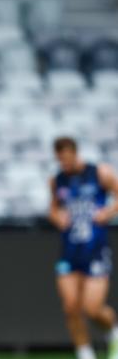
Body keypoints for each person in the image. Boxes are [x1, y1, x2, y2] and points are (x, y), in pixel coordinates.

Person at [49, 136, 118, 359]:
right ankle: (84, 352)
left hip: (95, 249)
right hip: (70, 250)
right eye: (60, 159)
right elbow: (53, 208)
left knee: (92, 307)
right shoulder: (58, 180)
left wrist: (107, 212)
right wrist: (57, 217)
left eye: (67, 158)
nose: (64, 164)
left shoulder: (99, 173)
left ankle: (113, 330)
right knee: (70, 306)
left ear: (75, 153)